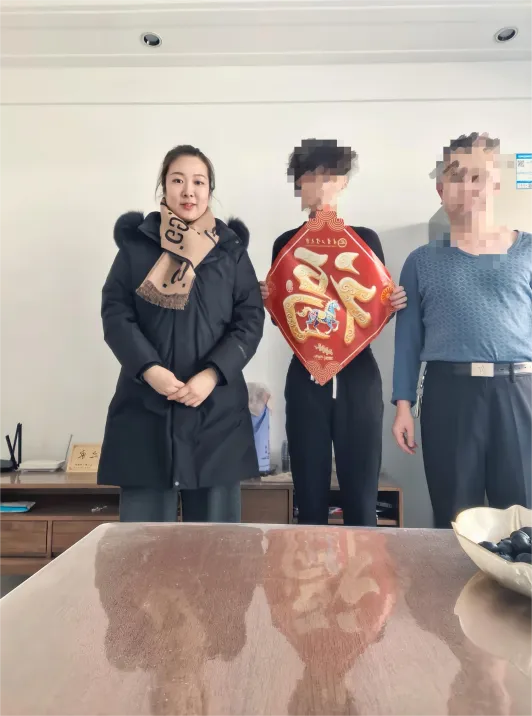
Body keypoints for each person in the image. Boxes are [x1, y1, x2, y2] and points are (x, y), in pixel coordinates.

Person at [98, 144, 265, 523]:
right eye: (178, 180)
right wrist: (150, 370)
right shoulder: (137, 246)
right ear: (164, 187)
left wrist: (213, 374)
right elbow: (116, 313)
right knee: (142, 546)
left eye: (198, 182)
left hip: (216, 414)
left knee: (216, 549)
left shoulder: (230, 251)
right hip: (146, 409)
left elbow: (250, 320)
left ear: (210, 191)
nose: (188, 191)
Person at [260, 139, 407, 526]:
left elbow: (373, 313)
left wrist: (393, 303)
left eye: (330, 175)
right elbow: (283, 319)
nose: (321, 184)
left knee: (361, 497)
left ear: (343, 182)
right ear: (299, 184)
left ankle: (363, 565)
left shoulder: (365, 239)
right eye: (311, 175)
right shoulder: (285, 244)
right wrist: (269, 299)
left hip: (359, 376)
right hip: (306, 375)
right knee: (309, 498)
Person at [392, 132, 532, 528]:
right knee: (455, 520)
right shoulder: (420, 262)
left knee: (523, 520)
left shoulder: (528, 250)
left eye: (478, 176)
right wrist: (403, 406)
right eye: (456, 176)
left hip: (520, 393)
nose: (468, 186)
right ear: (441, 189)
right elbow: (408, 340)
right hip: (448, 395)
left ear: (496, 184)